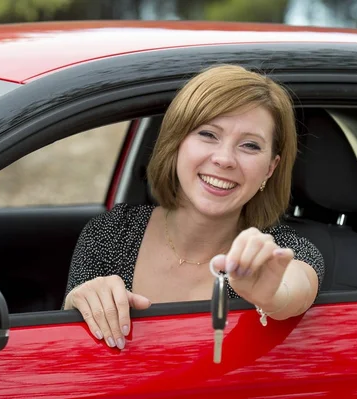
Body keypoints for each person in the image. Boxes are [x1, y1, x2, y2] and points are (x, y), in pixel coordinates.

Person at [63, 64, 325, 350]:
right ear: (176, 144)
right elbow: (70, 353)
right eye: (208, 134)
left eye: (250, 145)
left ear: (270, 169)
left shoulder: (282, 254)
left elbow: (291, 291)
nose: (224, 159)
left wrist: (270, 294)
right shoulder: (111, 233)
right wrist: (77, 302)